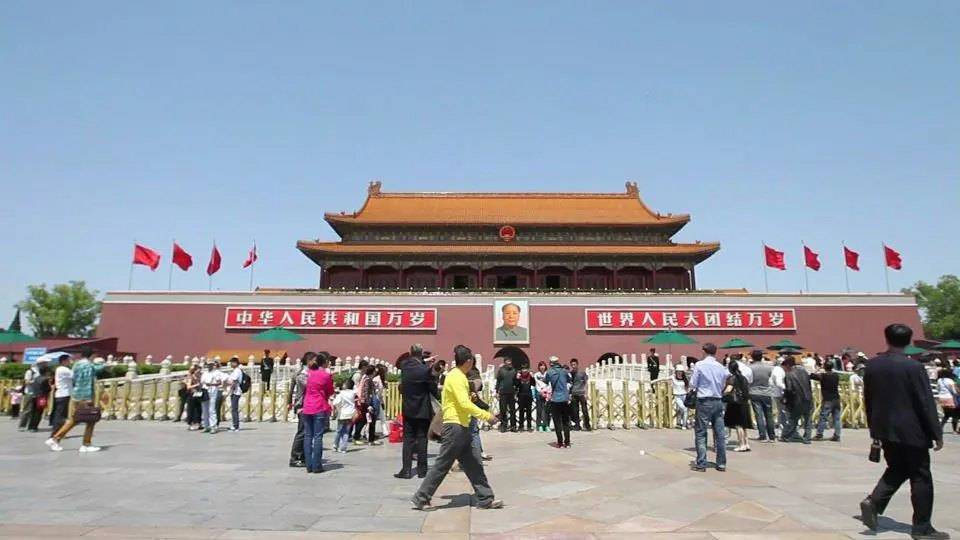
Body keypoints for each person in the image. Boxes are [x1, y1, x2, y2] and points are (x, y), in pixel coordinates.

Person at [860, 324, 947, 539]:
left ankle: (874, 501)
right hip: (912, 429)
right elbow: (925, 402)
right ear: (909, 341)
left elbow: (868, 399)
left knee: (897, 467)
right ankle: (922, 527)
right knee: (921, 477)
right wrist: (936, 432)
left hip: (885, 428)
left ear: (886, 339)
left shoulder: (873, 366)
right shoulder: (913, 368)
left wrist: (874, 428)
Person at [411, 345, 503, 511]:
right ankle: (421, 497)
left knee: (474, 464)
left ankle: (485, 498)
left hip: (463, 426)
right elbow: (464, 403)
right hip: (455, 427)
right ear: (468, 361)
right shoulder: (456, 377)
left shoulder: (459, 376)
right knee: (442, 464)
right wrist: (486, 416)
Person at [45, 348, 106, 452]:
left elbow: (73, 377)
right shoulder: (89, 365)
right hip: (85, 396)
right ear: (91, 356)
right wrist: (106, 364)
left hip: (77, 395)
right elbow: (97, 369)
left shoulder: (76, 365)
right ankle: (85, 444)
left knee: (75, 419)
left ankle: (56, 438)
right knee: (90, 419)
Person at [396, 352, 440, 479]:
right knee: (422, 439)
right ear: (421, 354)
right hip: (422, 409)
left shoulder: (404, 367)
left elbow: (409, 363)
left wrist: (424, 360)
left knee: (408, 440)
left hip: (408, 409)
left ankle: (406, 470)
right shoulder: (425, 370)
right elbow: (433, 389)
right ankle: (422, 470)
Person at [690, 343, 728, 472]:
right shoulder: (721, 367)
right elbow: (723, 384)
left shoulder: (700, 365)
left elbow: (693, 383)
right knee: (720, 433)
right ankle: (721, 463)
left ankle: (701, 463)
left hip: (704, 401)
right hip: (718, 400)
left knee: (701, 432)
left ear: (704, 351)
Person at [302, 352, 335, 473]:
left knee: (308, 436)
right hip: (319, 406)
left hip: (307, 406)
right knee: (318, 437)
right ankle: (317, 465)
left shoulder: (309, 373)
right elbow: (330, 391)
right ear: (325, 362)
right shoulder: (326, 375)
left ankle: (308, 465)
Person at [288, 351, 314, 467]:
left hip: (309, 405)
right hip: (303, 406)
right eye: (314, 360)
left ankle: (303, 456)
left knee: (307, 432)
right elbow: (311, 385)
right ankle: (295, 457)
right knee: (302, 432)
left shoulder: (308, 372)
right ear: (309, 361)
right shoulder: (302, 374)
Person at [780, 357, 813, 444]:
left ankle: (786, 436)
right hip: (808, 398)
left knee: (793, 419)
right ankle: (807, 438)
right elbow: (809, 385)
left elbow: (789, 389)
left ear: (787, 365)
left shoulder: (789, 375)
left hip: (797, 400)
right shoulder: (804, 372)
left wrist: (785, 399)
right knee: (808, 419)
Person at [747, 350, 777, 443]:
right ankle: (772, 436)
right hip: (767, 392)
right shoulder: (769, 367)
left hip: (754, 392)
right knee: (769, 415)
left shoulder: (750, 368)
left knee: (759, 414)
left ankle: (762, 435)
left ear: (752, 357)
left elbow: (748, 380)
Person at [723, 361, 752, 452]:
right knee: (743, 424)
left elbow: (728, 389)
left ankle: (741, 444)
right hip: (744, 402)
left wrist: (722, 394)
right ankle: (746, 443)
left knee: (738, 424)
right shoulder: (743, 378)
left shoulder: (732, 378)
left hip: (735, 403)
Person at [544, 357, 572, 448]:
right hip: (564, 398)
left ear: (551, 364)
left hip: (555, 399)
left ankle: (560, 442)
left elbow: (546, 381)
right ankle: (567, 443)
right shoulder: (564, 371)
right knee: (566, 422)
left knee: (557, 422)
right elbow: (569, 380)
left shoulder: (549, 372)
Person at [811, 360, 841, 442]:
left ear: (825, 367)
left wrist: (818, 369)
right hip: (836, 398)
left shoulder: (823, 376)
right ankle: (837, 435)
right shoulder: (836, 375)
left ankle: (819, 434)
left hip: (828, 399)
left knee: (823, 417)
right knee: (837, 418)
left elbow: (812, 376)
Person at [332, 379, 356, 453]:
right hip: (351, 414)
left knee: (339, 431)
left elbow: (336, 402)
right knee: (346, 431)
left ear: (346, 385)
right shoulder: (353, 393)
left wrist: (337, 408)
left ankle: (335, 445)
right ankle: (343, 448)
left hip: (342, 414)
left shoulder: (341, 393)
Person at [51, 354, 73, 434]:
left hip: (62, 393)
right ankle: (55, 432)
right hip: (63, 394)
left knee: (60, 414)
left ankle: (59, 431)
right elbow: (74, 375)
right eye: (68, 360)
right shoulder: (63, 369)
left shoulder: (61, 369)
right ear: (63, 361)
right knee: (60, 415)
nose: (70, 362)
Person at [494, 358, 517, 433]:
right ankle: (504, 425)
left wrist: (516, 390)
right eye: (508, 361)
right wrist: (497, 391)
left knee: (512, 410)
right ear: (505, 362)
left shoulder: (514, 370)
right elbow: (498, 381)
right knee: (503, 410)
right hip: (503, 392)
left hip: (511, 392)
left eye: (510, 361)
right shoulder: (501, 370)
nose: (509, 362)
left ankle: (513, 426)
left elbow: (516, 382)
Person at [27, 365, 53, 432]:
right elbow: (48, 389)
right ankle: (34, 427)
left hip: (35, 396)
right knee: (38, 413)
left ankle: (30, 426)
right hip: (41, 397)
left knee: (33, 412)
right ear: (46, 372)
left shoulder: (36, 378)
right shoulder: (45, 379)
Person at [200, 360, 223, 434]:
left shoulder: (216, 373)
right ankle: (206, 426)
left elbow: (219, 382)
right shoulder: (204, 373)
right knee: (204, 409)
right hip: (205, 392)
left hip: (213, 392)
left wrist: (211, 384)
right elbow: (201, 382)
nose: (209, 366)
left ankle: (213, 426)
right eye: (208, 364)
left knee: (212, 409)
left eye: (211, 364)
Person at [569, 359, 590, 431]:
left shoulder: (582, 373)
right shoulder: (570, 374)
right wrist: (570, 394)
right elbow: (569, 384)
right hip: (574, 394)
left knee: (584, 410)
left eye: (574, 364)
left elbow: (586, 383)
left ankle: (587, 425)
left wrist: (586, 393)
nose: (573, 366)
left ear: (577, 364)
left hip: (581, 394)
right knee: (575, 411)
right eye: (572, 365)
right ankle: (577, 425)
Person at [533, 361, 550, 432]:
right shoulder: (536, 374)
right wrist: (541, 391)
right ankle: (539, 425)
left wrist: (546, 391)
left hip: (547, 393)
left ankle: (546, 425)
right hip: (539, 394)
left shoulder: (548, 374)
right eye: (541, 366)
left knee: (546, 410)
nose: (542, 367)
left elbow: (550, 383)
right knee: (539, 410)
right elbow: (537, 384)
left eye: (543, 365)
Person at [516, 367, 535, 431]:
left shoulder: (530, 376)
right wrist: (517, 379)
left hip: (528, 396)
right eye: (523, 369)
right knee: (521, 412)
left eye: (526, 369)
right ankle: (521, 426)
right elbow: (516, 385)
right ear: (521, 370)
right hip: (521, 396)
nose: (524, 371)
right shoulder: (519, 376)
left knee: (529, 412)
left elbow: (534, 384)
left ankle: (529, 426)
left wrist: (532, 377)